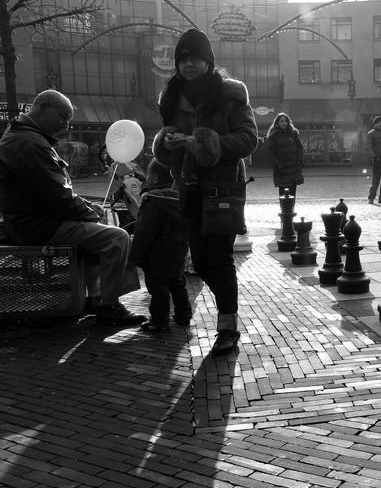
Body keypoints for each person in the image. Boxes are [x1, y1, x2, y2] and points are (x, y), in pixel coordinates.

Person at [152, 28, 258, 354]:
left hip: (223, 187)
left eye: (194, 58)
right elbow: (168, 143)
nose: (188, 64)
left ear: (208, 61)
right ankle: (228, 307)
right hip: (189, 185)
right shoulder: (171, 97)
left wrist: (202, 142)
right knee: (199, 260)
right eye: (182, 59)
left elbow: (248, 139)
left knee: (220, 258)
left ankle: (227, 327)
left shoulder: (230, 93)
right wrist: (168, 143)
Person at [0, 90, 146, 325]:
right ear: (43, 107)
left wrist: (86, 208)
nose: (66, 125)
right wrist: (88, 211)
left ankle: (95, 297)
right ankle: (109, 305)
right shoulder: (30, 143)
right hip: (39, 225)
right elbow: (56, 196)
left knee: (98, 226)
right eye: (63, 116)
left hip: (30, 220)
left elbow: (52, 191)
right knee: (117, 238)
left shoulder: (22, 136)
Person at [127, 183, 192, 331]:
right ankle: (184, 315)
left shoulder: (152, 205)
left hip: (157, 256)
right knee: (178, 283)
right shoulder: (179, 202)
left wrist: (132, 259)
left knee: (158, 288)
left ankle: (159, 320)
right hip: (179, 252)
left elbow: (143, 234)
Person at [265, 112, 304, 198]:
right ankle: (284, 207)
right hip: (281, 168)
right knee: (283, 193)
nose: (284, 123)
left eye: (286, 121)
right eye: (282, 121)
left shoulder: (293, 133)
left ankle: (291, 206)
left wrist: (299, 160)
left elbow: (300, 147)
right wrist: (277, 165)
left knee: (292, 193)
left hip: (294, 167)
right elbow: (270, 152)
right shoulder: (273, 135)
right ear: (277, 123)